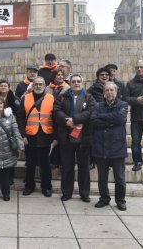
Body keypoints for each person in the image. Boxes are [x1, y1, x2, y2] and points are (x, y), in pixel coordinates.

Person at [53, 74, 96, 202]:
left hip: (84, 138)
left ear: (82, 83)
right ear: (69, 83)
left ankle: (84, 194)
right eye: (73, 81)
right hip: (66, 137)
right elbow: (56, 111)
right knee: (66, 167)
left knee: (84, 168)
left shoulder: (89, 97)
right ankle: (66, 193)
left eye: (78, 81)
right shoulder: (62, 96)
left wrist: (75, 119)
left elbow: (91, 112)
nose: (76, 83)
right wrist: (67, 121)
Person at [91, 82, 128, 211]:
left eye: (112, 90)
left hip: (117, 146)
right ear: (103, 92)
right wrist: (111, 122)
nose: (109, 92)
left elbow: (120, 119)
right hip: (101, 146)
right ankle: (104, 198)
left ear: (116, 92)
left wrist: (103, 118)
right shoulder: (97, 106)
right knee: (102, 177)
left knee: (120, 177)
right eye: (107, 90)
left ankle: (120, 200)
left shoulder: (123, 104)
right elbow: (94, 121)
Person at [17, 76, 54, 197]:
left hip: (46, 135)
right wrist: (23, 135)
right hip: (30, 136)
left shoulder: (51, 98)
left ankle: (46, 187)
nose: (38, 86)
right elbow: (20, 118)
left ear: (45, 86)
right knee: (30, 163)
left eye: (40, 84)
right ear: (32, 86)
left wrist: (55, 137)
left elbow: (54, 117)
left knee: (45, 164)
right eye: (36, 84)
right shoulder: (25, 98)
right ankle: (29, 186)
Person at [0, 96, 24, 201]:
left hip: (8, 150)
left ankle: (6, 193)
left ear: (4, 105)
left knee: (5, 176)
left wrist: (20, 146)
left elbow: (16, 131)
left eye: (1, 103)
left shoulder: (10, 117)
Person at [45, 68, 70, 169]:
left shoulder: (67, 88)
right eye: (58, 75)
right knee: (52, 139)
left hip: (62, 116)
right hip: (49, 117)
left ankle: (62, 162)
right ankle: (53, 160)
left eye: (61, 75)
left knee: (62, 139)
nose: (60, 77)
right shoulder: (47, 88)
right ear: (53, 77)